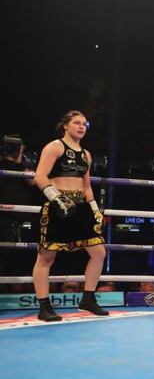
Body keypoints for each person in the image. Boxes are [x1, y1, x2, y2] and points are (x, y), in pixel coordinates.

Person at [31, 110, 109, 321]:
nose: (82, 126)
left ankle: (88, 299)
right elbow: (39, 176)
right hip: (57, 205)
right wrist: (57, 199)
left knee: (99, 252)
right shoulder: (55, 146)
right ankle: (44, 307)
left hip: (81, 207)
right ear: (65, 125)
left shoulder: (86, 155)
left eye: (85, 123)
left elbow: (87, 185)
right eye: (77, 123)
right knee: (46, 257)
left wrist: (95, 210)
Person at [0, 134, 36, 284]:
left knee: (5, 256)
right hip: (2, 216)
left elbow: (32, 181)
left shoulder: (23, 167)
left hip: (14, 220)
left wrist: (19, 157)